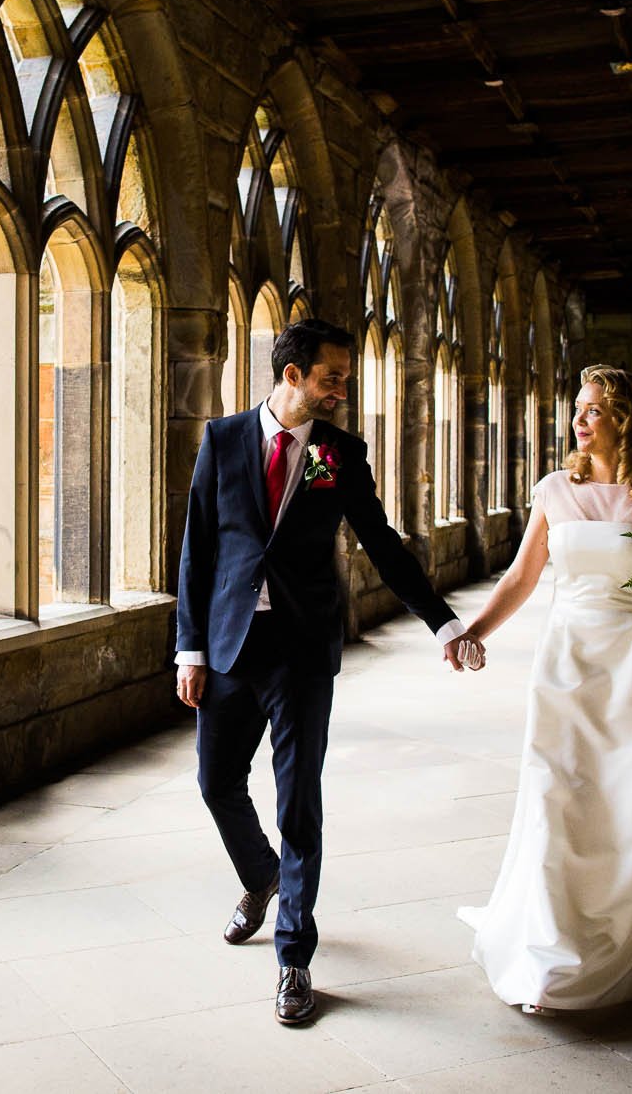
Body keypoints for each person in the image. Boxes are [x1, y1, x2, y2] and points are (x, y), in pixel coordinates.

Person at [174, 318, 482, 1025]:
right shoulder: (222, 441)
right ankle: (261, 876)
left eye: (344, 376)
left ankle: (293, 959)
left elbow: (384, 543)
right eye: (332, 376)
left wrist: (444, 619)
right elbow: (196, 551)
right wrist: (188, 648)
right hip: (226, 645)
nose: (343, 388)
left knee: (297, 803)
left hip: (303, 650)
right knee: (216, 781)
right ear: (292, 375)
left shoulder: (342, 454)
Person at [452, 365, 632, 1012]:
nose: (579, 420)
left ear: (625, 420)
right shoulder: (554, 490)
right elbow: (524, 577)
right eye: (578, 408)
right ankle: (553, 946)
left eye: (593, 409)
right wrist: (475, 629)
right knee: (558, 796)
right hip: (568, 663)